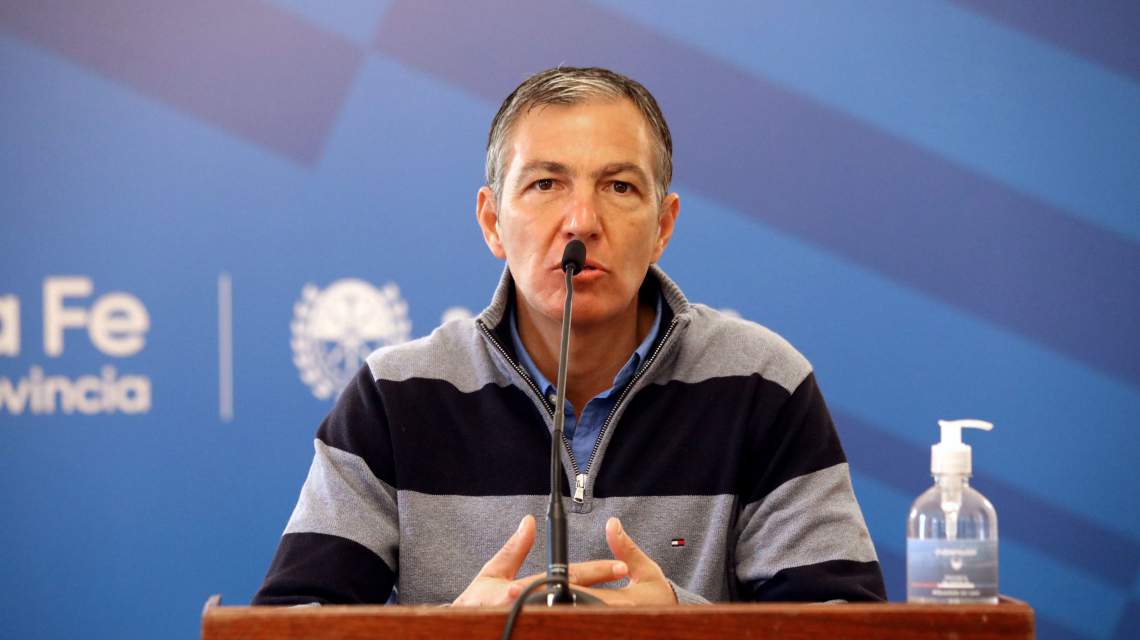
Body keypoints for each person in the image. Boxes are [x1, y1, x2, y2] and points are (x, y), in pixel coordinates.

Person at [252, 67, 886, 606]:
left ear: (663, 226)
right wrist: (449, 635)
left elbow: (846, 626)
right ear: (492, 221)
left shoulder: (762, 386)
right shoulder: (395, 397)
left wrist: (685, 627)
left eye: (619, 186)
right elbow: (287, 625)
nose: (581, 221)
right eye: (546, 184)